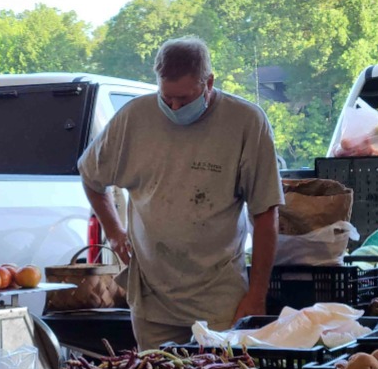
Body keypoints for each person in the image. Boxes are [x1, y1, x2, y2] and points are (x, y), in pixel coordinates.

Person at [79, 36, 283, 349]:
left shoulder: (246, 122)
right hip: (152, 299)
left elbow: (265, 214)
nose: (174, 108)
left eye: (184, 99)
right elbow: (91, 176)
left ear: (209, 83)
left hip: (220, 298)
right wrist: (115, 232)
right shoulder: (133, 118)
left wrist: (257, 295)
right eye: (166, 98)